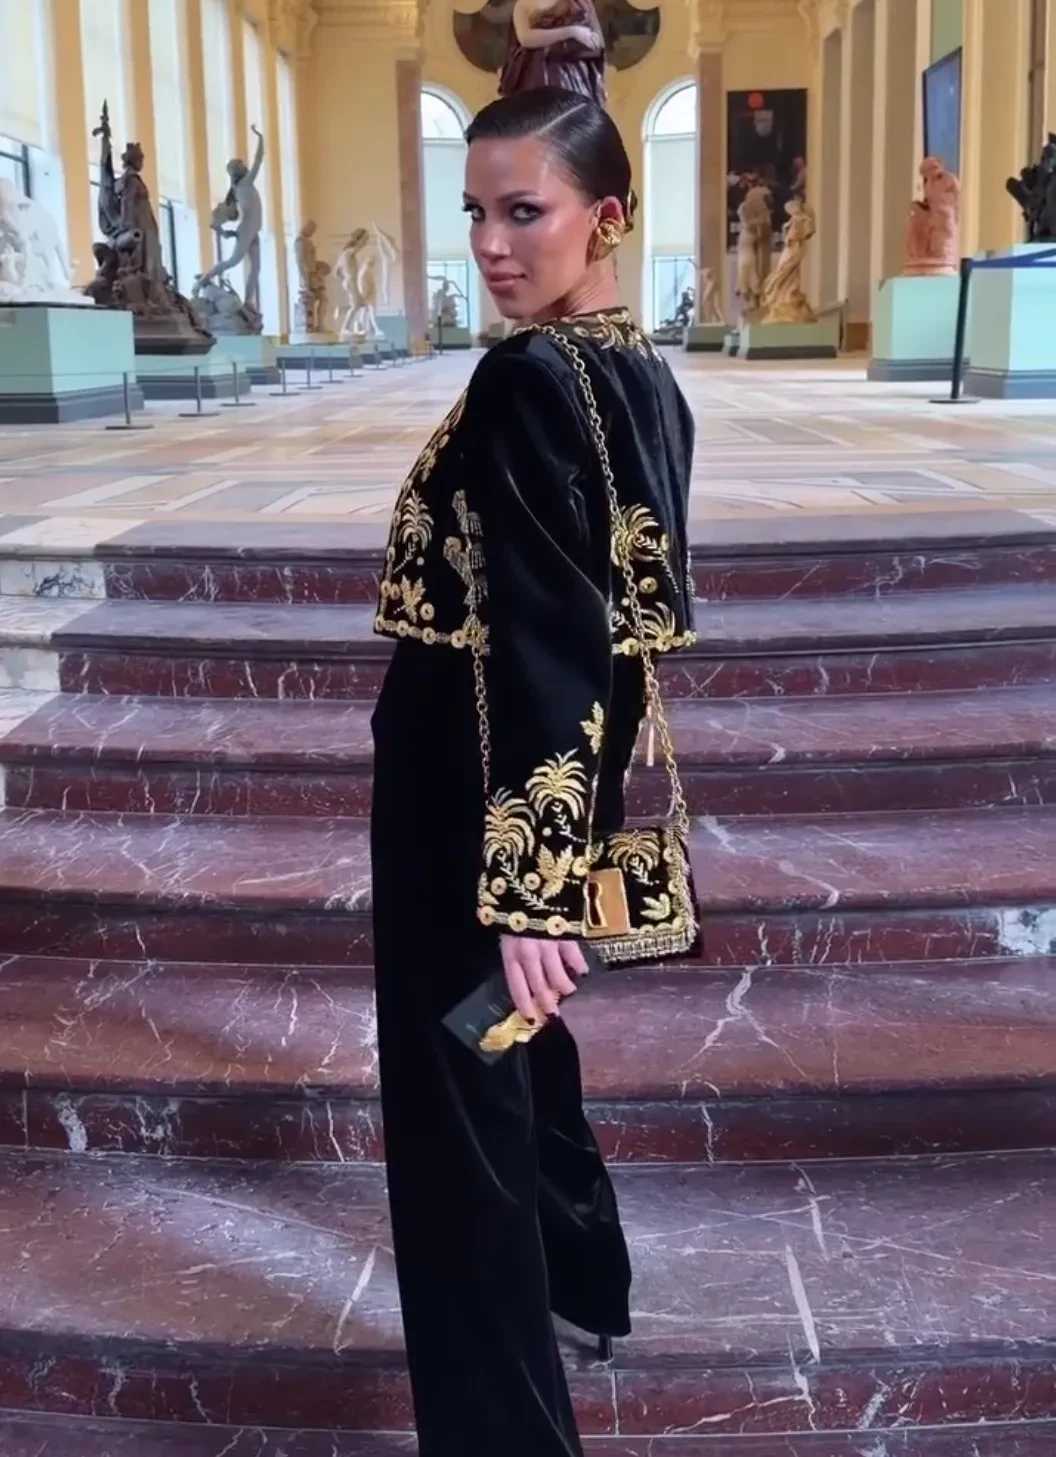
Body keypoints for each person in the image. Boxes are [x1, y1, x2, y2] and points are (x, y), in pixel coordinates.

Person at [371, 87, 695, 1457]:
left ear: (605, 216)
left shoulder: (525, 380)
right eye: (475, 213)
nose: (492, 245)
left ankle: (501, 1431)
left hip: (469, 791)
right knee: (514, 1052)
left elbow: (557, 640)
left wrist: (529, 893)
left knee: (458, 1106)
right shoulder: (640, 373)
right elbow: (613, 642)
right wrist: (572, 846)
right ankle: (583, 1277)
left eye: (526, 211)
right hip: (538, 786)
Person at [499, 0, 607, 106]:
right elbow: (525, 39)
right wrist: (571, 32)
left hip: (573, 73)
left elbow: (596, 43)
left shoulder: (579, 3)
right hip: (535, 73)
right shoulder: (523, 4)